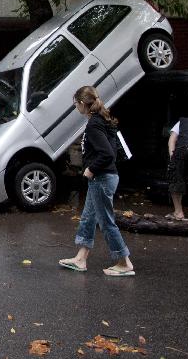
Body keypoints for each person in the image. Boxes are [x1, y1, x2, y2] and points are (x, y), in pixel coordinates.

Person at [59, 86, 135, 277]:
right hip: (107, 177)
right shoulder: (103, 120)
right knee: (88, 217)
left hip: (102, 178)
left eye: (75, 103)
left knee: (106, 221)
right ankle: (81, 258)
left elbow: (107, 154)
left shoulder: (94, 124)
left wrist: (91, 169)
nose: (76, 107)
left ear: (82, 103)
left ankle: (124, 262)